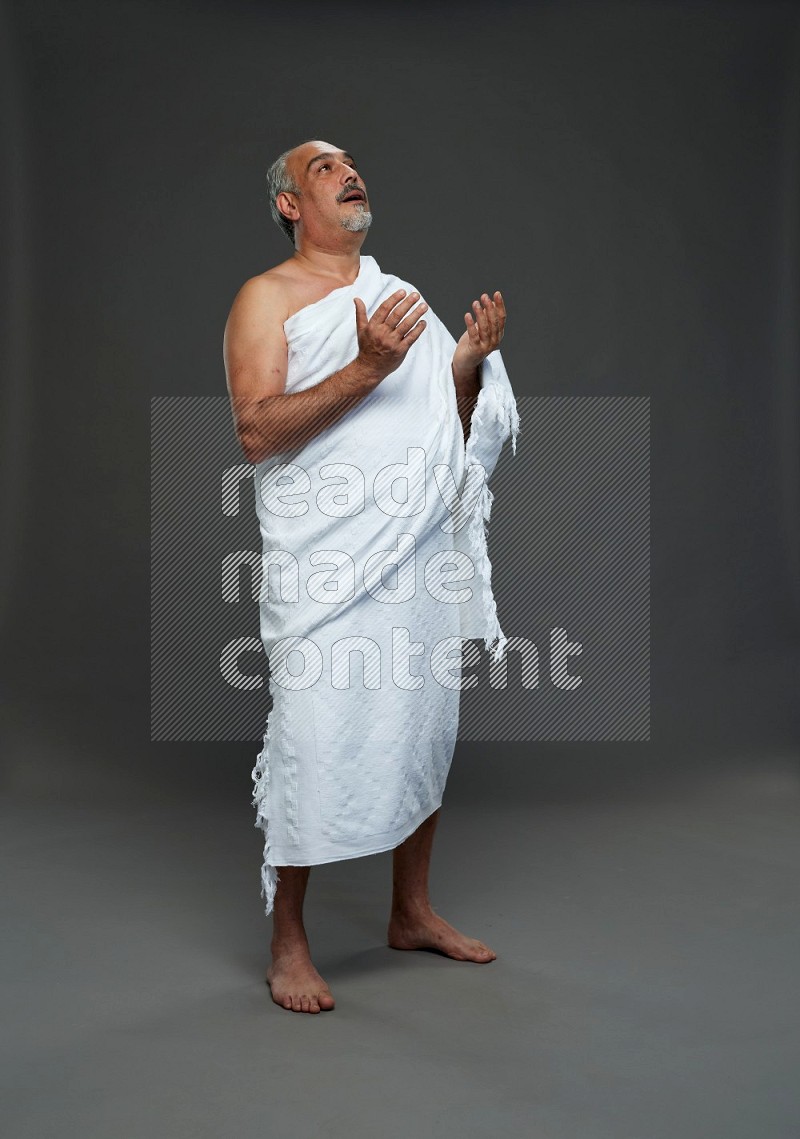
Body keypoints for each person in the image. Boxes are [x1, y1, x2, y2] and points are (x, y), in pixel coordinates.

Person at [223, 139, 518, 1013]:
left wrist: (463, 366)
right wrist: (367, 368)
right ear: (288, 203)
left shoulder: (400, 299)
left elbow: (446, 431)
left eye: (351, 164)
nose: (349, 174)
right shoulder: (265, 299)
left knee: (421, 720)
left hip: (416, 552)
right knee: (313, 735)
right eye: (323, 168)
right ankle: (289, 941)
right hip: (329, 563)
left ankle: (411, 909)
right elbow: (256, 432)